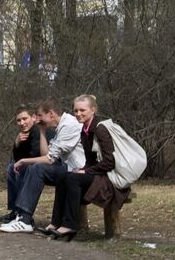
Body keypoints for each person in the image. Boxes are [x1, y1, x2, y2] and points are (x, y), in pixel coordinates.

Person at [45, 94, 130, 241]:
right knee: (63, 176)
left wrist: (86, 171)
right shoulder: (84, 131)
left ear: (93, 110)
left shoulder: (100, 129)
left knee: (73, 178)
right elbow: (90, 161)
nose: (78, 114)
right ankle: (56, 222)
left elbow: (110, 162)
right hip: (98, 175)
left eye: (82, 110)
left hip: (110, 180)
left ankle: (70, 225)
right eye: (76, 111)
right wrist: (84, 169)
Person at [0, 98, 84, 234]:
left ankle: (24, 219)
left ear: (50, 114)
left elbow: (49, 159)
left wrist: (23, 161)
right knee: (30, 167)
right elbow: (48, 154)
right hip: (66, 168)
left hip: (78, 170)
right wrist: (43, 131)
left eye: (39, 116)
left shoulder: (68, 125)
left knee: (35, 168)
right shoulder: (58, 126)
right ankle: (20, 215)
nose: (38, 120)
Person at [0, 104, 51, 223]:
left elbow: (36, 155)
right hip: (33, 163)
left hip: (47, 164)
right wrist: (17, 143)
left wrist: (21, 161)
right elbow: (17, 158)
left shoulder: (37, 131)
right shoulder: (24, 133)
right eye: (18, 120)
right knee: (11, 168)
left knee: (22, 169)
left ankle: (23, 212)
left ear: (33, 117)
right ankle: (15, 210)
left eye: (24, 119)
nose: (22, 123)